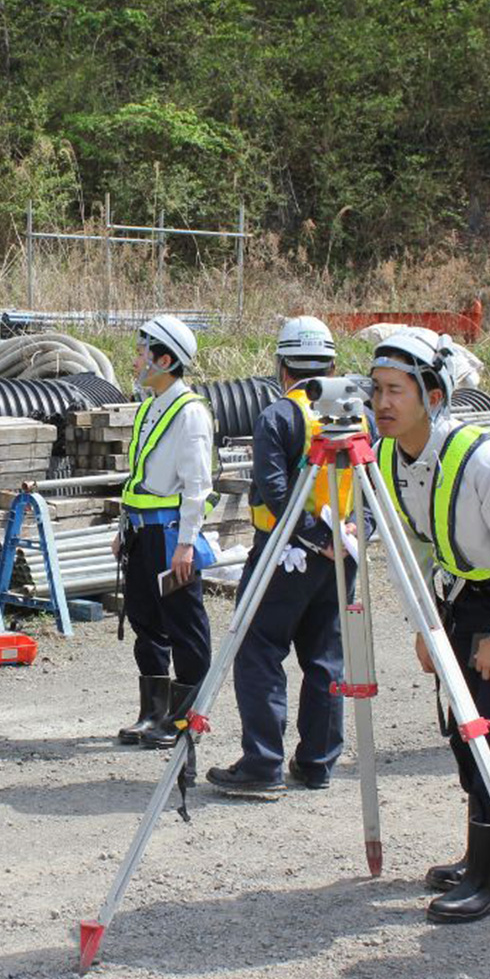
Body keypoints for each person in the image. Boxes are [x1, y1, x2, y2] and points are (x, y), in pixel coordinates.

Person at [370, 327, 490, 922]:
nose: (381, 404)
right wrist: (427, 626)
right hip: (458, 598)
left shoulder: (488, 461)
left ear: (432, 394)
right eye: (375, 389)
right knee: (461, 731)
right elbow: (413, 549)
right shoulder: (385, 455)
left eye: (395, 390)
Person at [207, 316, 351, 797]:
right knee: (326, 657)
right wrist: (347, 537)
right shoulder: (358, 414)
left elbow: (273, 490)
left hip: (284, 554)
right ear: (333, 364)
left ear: (282, 367)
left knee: (260, 651)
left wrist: (311, 534)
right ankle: (316, 763)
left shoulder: (280, 416)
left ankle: (262, 764)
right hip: (341, 557)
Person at [112, 314, 216, 749]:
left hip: (171, 534)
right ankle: (153, 712)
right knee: (145, 620)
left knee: (183, 624)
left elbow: (197, 487)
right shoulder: (150, 407)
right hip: (141, 532)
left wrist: (186, 544)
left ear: (165, 358)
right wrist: (122, 526)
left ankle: (183, 717)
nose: (136, 360)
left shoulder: (189, 413)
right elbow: (137, 475)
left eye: (142, 352)